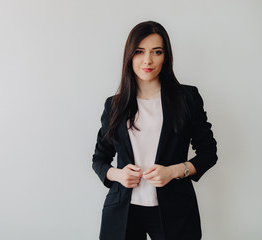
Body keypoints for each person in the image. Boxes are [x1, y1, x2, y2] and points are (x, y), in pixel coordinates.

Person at [92, 21, 217, 240]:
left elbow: (208, 153)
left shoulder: (186, 98)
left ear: (165, 56)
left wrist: (174, 171)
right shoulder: (114, 105)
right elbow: (99, 159)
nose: (147, 60)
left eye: (156, 52)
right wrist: (119, 175)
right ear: (129, 56)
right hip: (123, 210)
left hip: (175, 209)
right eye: (139, 52)